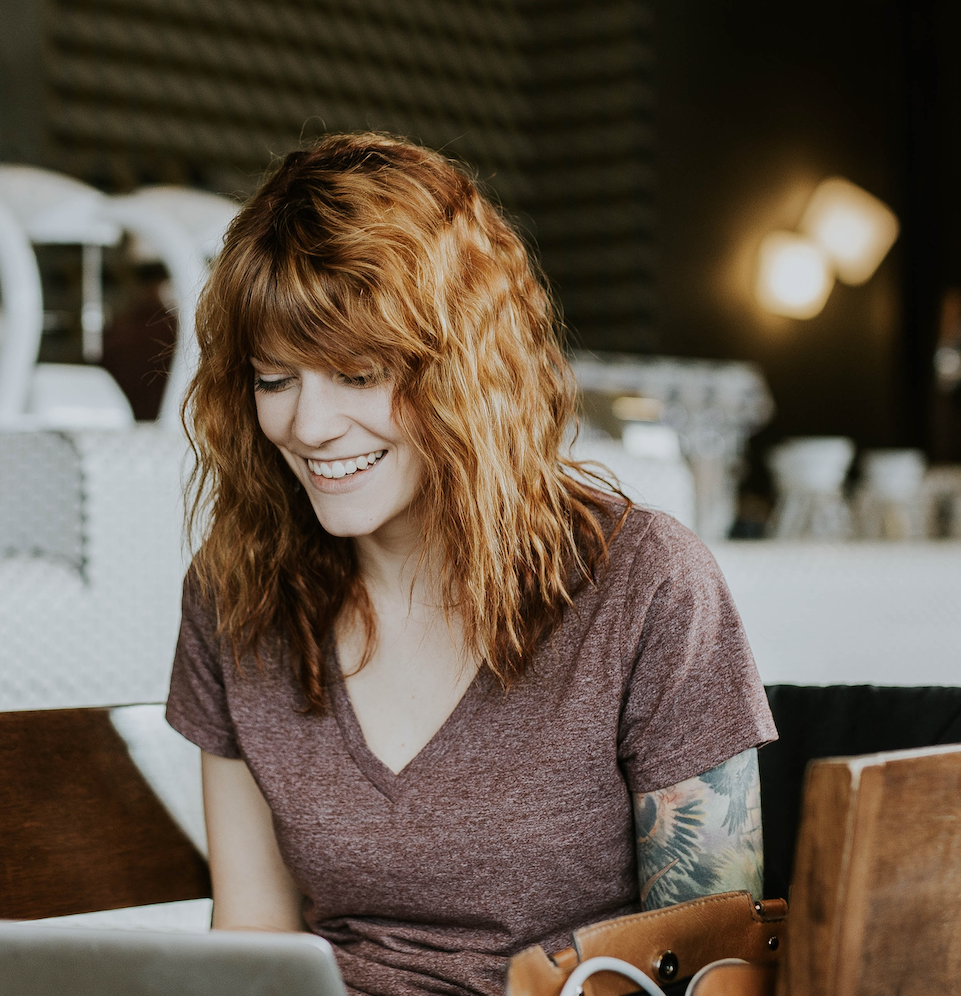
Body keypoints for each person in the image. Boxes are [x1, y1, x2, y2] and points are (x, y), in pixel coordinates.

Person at [166, 132, 777, 996]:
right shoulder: (235, 593)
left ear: (464, 370)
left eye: (358, 374)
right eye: (274, 380)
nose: (307, 427)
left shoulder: (647, 585)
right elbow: (252, 945)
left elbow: (716, 973)